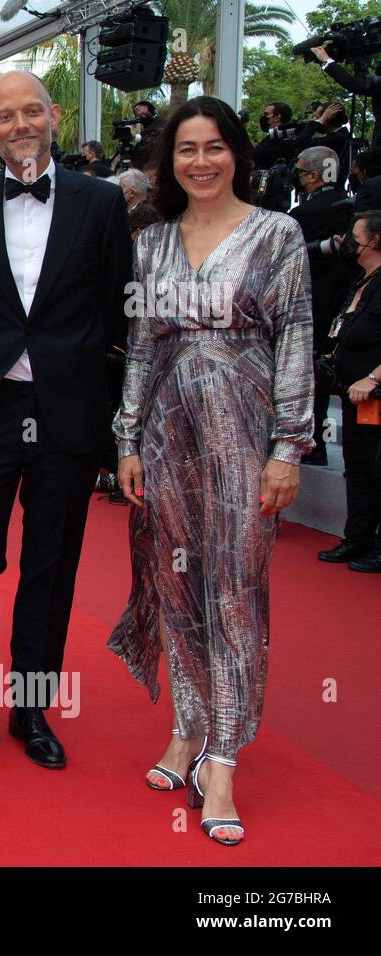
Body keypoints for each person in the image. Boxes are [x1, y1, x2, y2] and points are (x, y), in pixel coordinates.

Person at [111, 96, 314, 846]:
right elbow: (141, 347)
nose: (200, 161)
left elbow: (294, 339)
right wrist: (127, 437)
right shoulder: (154, 242)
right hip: (167, 434)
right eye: (186, 149)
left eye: (214, 147)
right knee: (174, 582)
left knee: (234, 587)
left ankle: (222, 755)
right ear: (171, 162)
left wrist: (288, 448)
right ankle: (185, 724)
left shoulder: (278, 234)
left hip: (242, 433)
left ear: (238, 154)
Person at [0, 71, 132, 768]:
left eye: (31, 111)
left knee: (53, 561)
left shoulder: (102, 204)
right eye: (4, 115)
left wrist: (87, 392)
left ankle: (33, 708)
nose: (19, 124)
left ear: (54, 117)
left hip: (66, 409)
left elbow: (114, 309)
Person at [317, 211, 381, 572]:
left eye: (355, 236)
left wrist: (372, 378)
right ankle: (357, 537)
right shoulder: (361, 280)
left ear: (373, 242)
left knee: (377, 468)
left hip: (374, 394)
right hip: (350, 393)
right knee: (356, 467)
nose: (348, 241)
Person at [290, 146, 356, 466]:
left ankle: (308, 443)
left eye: (301, 171)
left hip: (309, 305)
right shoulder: (351, 207)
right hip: (346, 306)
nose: (298, 177)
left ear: (313, 175)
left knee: (307, 373)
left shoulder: (304, 215)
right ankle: (318, 444)